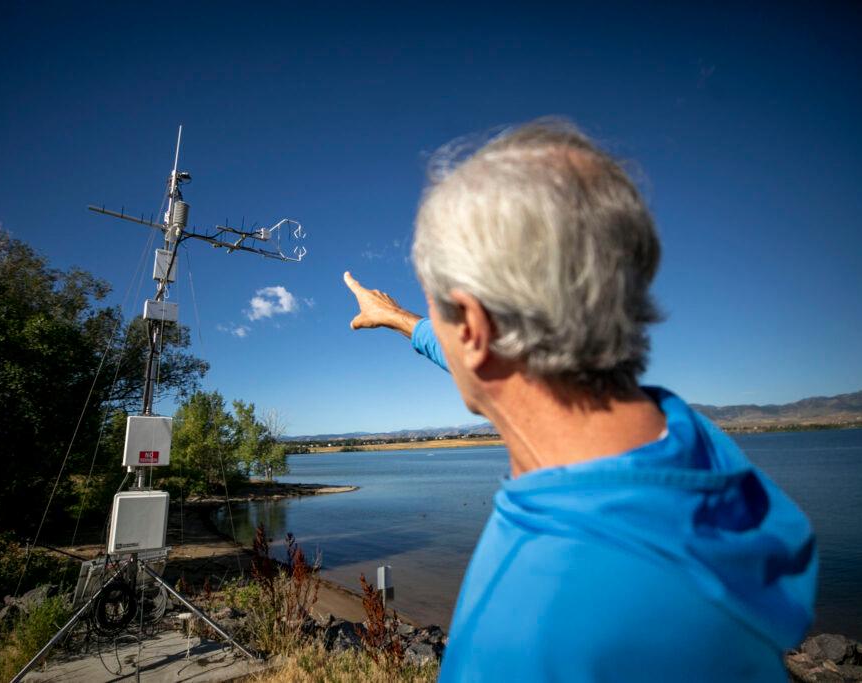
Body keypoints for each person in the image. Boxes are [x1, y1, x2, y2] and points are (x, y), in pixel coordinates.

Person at [344, 120, 816, 682]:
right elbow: (499, 363)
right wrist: (403, 319)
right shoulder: (697, 453)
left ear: (473, 327)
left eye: (444, 315)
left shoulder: (530, 635)